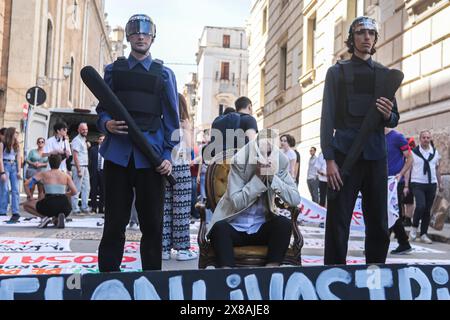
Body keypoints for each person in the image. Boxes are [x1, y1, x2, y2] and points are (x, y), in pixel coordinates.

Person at [96, 14, 179, 272]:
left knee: (152, 225)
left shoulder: (165, 75)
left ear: (152, 36)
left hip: (151, 160)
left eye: (146, 32)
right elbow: (101, 109)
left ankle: (152, 279)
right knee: (114, 223)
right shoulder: (112, 70)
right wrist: (106, 124)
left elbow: (173, 122)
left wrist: (167, 156)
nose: (140, 36)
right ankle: (107, 277)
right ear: (129, 36)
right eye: (135, 31)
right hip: (117, 157)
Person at [320, 16, 400, 265]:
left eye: (371, 33)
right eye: (361, 32)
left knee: (378, 222)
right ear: (352, 38)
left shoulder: (385, 75)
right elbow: (327, 118)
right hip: (344, 156)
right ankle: (332, 273)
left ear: (375, 39)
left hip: (376, 156)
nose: (366, 37)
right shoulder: (336, 72)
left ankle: (376, 272)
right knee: (338, 221)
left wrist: (389, 114)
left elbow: (394, 119)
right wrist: (329, 159)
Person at [207, 129, 301, 268]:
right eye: (261, 154)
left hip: (261, 227)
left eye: (269, 154)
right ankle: (227, 276)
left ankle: (270, 272)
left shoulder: (279, 162)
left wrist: (271, 178)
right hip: (234, 226)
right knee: (218, 229)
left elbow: (295, 199)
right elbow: (237, 202)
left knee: (283, 224)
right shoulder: (240, 161)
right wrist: (258, 180)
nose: (266, 159)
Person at [162, 94, 196, 261]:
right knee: (181, 210)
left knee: (166, 209)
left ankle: (164, 249)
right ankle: (182, 250)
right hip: (181, 167)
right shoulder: (184, 124)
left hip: (165, 166)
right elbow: (189, 149)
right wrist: (187, 130)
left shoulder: (163, 120)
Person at [22, 154, 77, 229]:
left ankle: (45, 218)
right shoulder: (66, 175)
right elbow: (74, 191)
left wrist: (29, 196)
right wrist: (65, 194)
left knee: (26, 205)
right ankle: (58, 218)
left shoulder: (43, 174)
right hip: (65, 205)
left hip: (49, 203)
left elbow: (27, 184)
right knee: (57, 212)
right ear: (60, 163)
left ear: (49, 163)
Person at [409, 130, 443, 244]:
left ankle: (423, 234)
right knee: (420, 206)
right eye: (424, 137)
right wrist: (405, 185)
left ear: (430, 139)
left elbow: (437, 169)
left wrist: (440, 183)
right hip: (417, 183)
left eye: (428, 138)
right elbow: (408, 168)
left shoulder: (435, 153)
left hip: (431, 184)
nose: (426, 140)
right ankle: (413, 229)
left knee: (427, 210)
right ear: (420, 139)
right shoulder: (413, 152)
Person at [385, 128, 413, 254]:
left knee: (391, 211)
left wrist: (401, 174)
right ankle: (402, 243)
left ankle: (402, 243)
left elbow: (410, 158)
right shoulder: (374, 135)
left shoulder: (397, 137)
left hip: (394, 182)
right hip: (380, 181)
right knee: (384, 212)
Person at [0, 128, 22, 223]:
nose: (17, 134)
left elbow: (18, 158)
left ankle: (15, 211)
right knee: (4, 189)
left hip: (14, 166)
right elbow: (0, 158)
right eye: (15, 132)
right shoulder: (2, 144)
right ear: (11, 134)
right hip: (5, 165)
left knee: (15, 190)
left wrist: (19, 171)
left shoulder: (17, 145)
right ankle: (2, 211)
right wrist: (2, 172)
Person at [70, 123, 91, 214]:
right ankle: (75, 208)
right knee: (76, 188)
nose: (85, 131)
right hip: (78, 166)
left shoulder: (83, 139)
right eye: (83, 129)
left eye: (86, 129)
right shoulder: (76, 140)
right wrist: (78, 169)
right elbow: (75, 155)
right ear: (78, 130)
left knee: (87, 187)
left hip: (85, 166)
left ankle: (84, 206)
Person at [88, 134, 105, 214]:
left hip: (103, 172)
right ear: (98, 140)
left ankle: (101, 208)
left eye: (103, 139)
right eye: (101, 139)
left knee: (103, 191)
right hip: (94, 172)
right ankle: (94, 208)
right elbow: (90, 161)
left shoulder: (107, 150)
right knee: (93, 190)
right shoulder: (93, 149)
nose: (102, 141)